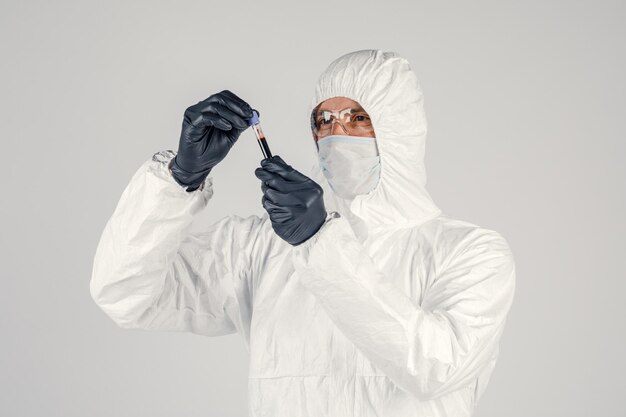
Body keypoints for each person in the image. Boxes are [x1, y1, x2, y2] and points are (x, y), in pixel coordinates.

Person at [90, 49, 516, 417]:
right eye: (323, 120)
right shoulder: (262, 248)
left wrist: (319, 242)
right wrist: (178, 179)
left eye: (358, 118)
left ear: (398, 129)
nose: (336, 133)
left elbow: (434, 367)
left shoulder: (469, 253)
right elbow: (125, 294)